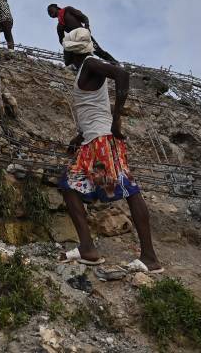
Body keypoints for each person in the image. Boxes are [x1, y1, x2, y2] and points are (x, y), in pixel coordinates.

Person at [57, 28, 161, 273]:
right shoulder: (85, 68)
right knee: (69, 186)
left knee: (129, 190)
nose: (62, 53)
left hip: (104, 142)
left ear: (71, 51)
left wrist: (117, 119)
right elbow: (93, 107)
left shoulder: (91, 63)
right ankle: (87, 248)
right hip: (91, 142)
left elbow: (121, 74)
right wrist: (79, 136)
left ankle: (149, 257)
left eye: (64, 49)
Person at [47, 3, 117, 63]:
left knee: (98, 51)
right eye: (49, 13)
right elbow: (61, 40)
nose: (50, 13)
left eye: (50, 10)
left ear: (56, 7)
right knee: (78, 58)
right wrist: (69, 46)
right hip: (76, 41)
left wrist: (87, 27)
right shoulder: (59, 26)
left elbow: (83, 17)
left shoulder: (68, 10)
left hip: (84, 35)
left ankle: (115, 63)